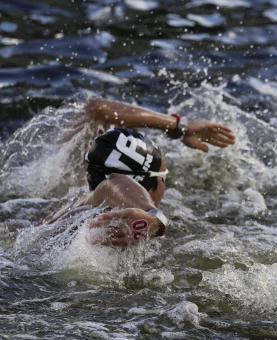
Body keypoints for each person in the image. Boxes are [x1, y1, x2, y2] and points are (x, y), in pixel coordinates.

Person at [39, 97, 236, 247]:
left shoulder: (79, 188)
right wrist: (154, 219)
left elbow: (96, 109)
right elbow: (115, 183)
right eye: (163, 177)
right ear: (142, 185)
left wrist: (179, 127)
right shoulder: (106, 209)